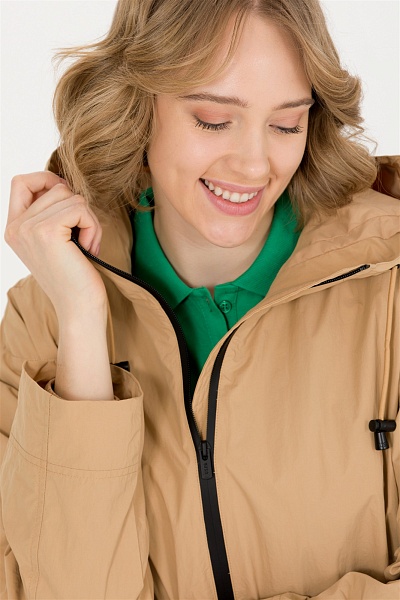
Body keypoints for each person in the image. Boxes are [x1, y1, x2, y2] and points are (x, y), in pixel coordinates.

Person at [0, 0, 399, 597]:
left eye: (287, 124)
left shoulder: (389, 285)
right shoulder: (40, 324)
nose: (255, 164)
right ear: (138, 106)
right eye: (214, 120)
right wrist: (82, 324)